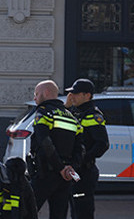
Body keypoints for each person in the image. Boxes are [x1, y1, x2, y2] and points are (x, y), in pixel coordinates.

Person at [29, 80, 82, 219]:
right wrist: (70, 168)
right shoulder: (72, 118)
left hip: (45, 173)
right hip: (65, 177)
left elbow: (44, 141)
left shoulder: (44, 112)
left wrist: (59, 167)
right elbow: (80, 148)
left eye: (36, 94)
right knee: (59, 215)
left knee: (27, 211)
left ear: (46, 93)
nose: (35, 98)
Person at [65, 79, 108, 219]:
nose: (72, 96)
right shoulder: (73, 112)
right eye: (71, 93)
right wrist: (66, 107)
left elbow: (102, 144)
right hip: (73, 171)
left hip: (83, 172)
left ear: (87, 95)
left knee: (82, 211)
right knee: (75, 209)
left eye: (76, 93)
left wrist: (82, 160)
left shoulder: (93, 116)